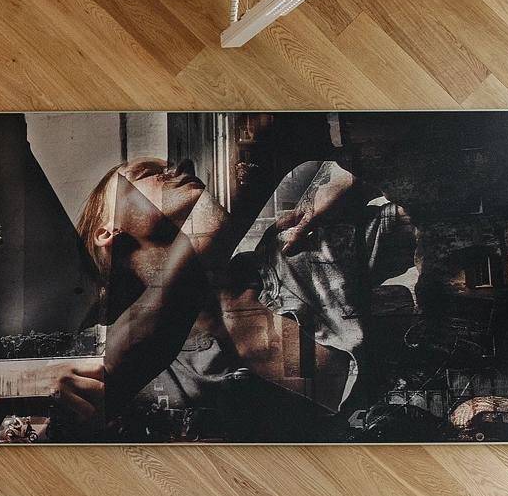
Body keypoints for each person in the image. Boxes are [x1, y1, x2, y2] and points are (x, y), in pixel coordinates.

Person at [50, 137, 413, 437]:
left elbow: (432, 217)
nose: (183, 168)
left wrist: (351, 179)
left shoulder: (295, 246)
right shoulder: (146, 374)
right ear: (106, 231)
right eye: (149, 173)